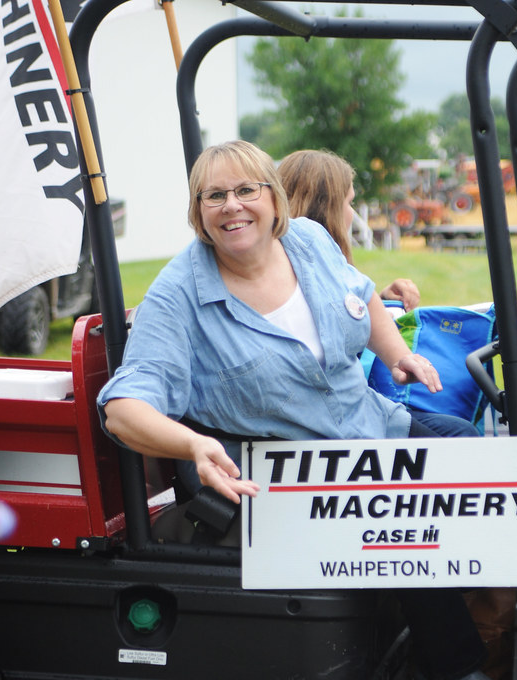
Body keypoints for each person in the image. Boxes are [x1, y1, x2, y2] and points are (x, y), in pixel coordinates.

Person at [96, 140, 487, 680]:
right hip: (279, 464)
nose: (231, 205)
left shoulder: (305, 240)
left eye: (245, 190)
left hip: (366, 427)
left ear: (274, 200)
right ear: (198, 212)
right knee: (403, 522)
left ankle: (457, 626)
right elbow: (122, 408)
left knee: (472, 451)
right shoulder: (178, 293)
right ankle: (455, 667)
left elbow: (360, 293)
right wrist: (193, 444)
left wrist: (398, 356)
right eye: (214, 196)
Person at [279, 148, 420, 311]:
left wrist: (380, 302)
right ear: (328, 211)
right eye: (349, 203)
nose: (352, 213)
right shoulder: (323, 277)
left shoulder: (276, 268)